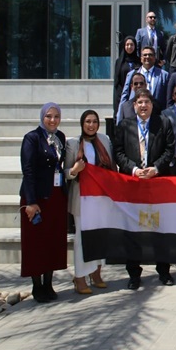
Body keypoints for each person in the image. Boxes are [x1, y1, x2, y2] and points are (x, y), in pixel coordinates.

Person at [113, 89, 176, 289]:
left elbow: (169, 149)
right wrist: (132, 169)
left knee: (160, 229)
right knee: (133, 231)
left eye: (146, 102)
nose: (143, 105)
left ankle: (164, 272)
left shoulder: (163, 122)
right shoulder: (125, 125)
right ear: (134, 105)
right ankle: (134, 274)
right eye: (139, 102)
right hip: (133, 187)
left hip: (156, 185)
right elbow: (118, 152)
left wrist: (156, 168)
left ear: (151, 104)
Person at [20, 103, 68, 303]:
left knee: (52, 240)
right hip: (37, 198)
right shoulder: (32, 138)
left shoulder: (61, 137)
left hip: (56, 196)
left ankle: (48, 283)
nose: (53, 120)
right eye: (49, 116)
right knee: (36, 242)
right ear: (42, 117)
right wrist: (31, 202)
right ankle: (37, 286)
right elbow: (28, 170)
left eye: (56, 116)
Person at [64, 110, 113, 295]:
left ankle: (96, 274)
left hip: (101, 198)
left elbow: (111, 167)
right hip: (82, 199)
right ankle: (79, 277)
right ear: (82, 124)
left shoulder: (104, 141)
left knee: (100, 236)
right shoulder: (73, 144)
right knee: (82, 239)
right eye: (87, 122)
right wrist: (75, 169)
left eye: (94, 122)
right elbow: (66, 172)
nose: (91, 125)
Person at [114, 36, 139, 116]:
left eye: (131, 45)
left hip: (136, 93)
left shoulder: (139, 61)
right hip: (122, 93)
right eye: (127, 45)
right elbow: (117, 81)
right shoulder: (119, 62)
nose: (129, 47)